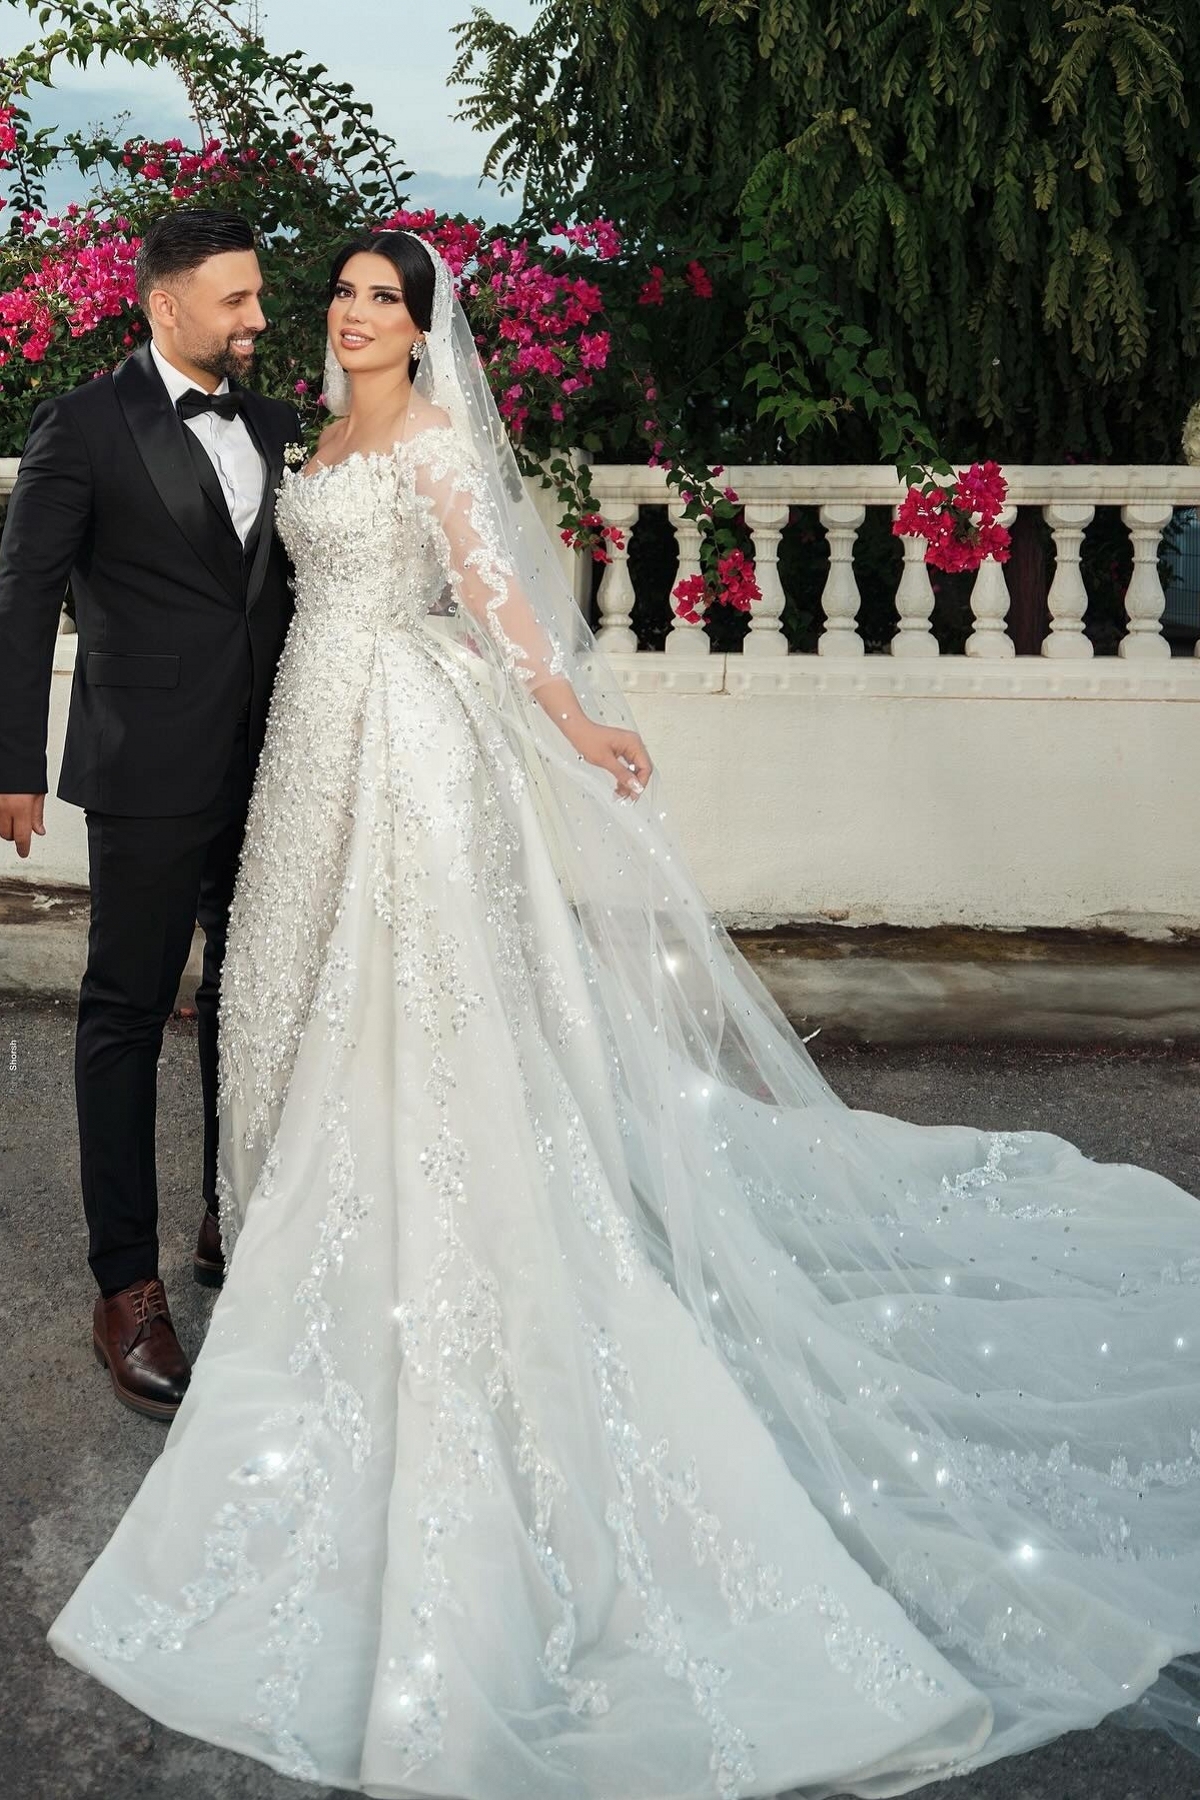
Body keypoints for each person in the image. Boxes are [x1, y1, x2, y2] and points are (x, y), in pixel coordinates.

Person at [47, 233, 1200, 1799]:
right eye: (341, 297)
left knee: (413, 1005)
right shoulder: (294, 435)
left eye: (387, 300)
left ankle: (389, 1245)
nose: (353, 316)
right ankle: (255, 1233)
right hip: (300, 748)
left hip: (403, 743)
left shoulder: (438, 443)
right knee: (285, 992)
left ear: (428, 329)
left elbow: (503, 606)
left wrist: (579, 716)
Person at [0, 210, 300, 1418]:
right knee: (126, 1010)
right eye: (235, 300)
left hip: (280, 760)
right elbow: (20, 604)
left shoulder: (280, 427)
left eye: (260, 296)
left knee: (254, 992)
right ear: (164, 304)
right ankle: (124, 1284)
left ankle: (232, 1216)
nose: (258, 319)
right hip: (142, 765)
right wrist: (11, 761)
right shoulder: (79, 426)